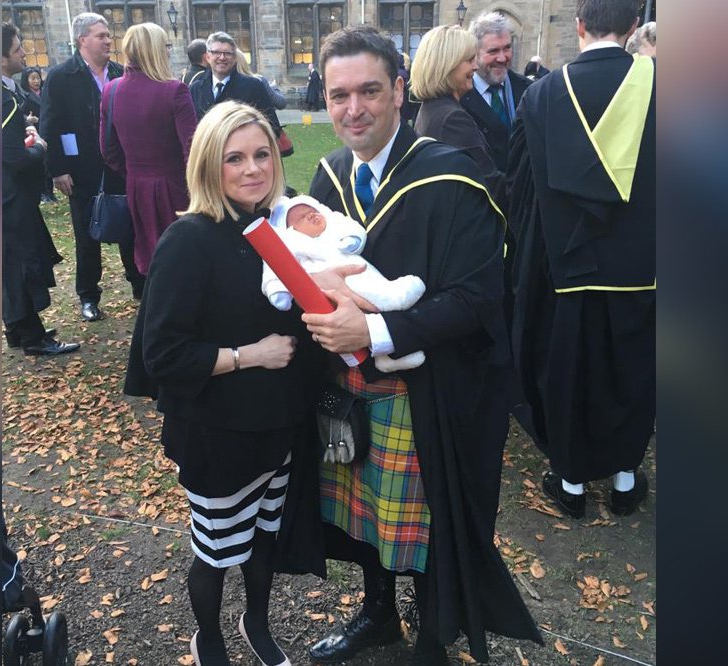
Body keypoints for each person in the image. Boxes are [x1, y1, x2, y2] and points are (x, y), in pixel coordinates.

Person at [300, 25, 541, 666]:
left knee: (431, 518)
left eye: (370, 91)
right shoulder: (325, 182)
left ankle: (436, 630)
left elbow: (478, 299)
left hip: (435, 391)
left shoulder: (453, 179)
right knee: (362, 512)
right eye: (339, 94)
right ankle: (378, 612)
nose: (354, 110)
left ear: (400, 90)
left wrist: (376, 331)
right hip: (351, 388)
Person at [123, 101, 323, 666]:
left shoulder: (280, 228)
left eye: (262, 154)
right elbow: (161, 353)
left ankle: (255, 623)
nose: (253, 169)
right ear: (209, 165)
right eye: (235, 158)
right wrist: (247, 355)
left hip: (279, 423)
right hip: (217, 430)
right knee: (216, 550)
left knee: (263, 540)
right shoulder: (189, 240)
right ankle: (208, 637)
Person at [505, 0, 655, 520]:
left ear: (579, 26)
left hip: (564, 271)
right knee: (634, 370)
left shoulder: (541, 95)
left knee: (568, 370)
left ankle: (569, 482)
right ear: (635, 26)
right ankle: (625, 478)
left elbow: (521, 188)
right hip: (644, 271)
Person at [40, 12, 143, 319]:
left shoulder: (119, 72)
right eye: (101, 35)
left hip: (121, 167)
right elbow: (50, 124)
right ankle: (88, 295)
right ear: (82, 39)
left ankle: (138, 283)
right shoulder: (61, 76)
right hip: (81, 169)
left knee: (129, 226)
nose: (108, 40)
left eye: (109, 35)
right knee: (87, 235)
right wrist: (56, 169)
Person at [260, 196, 426, 372]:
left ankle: (384, 358)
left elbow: (349, 226)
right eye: (302, 217)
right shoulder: (291, 243)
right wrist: (278, 291)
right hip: (338, 288)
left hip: (356, 271)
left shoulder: (333, 228)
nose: (311, 216)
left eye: (313, 211)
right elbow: (274, 267)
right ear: (289, 230)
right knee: (370, 301)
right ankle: (396, 298)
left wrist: (352, 240)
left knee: (369, 309)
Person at [99, 23, 197, 297]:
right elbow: (193, 149)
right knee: (181, 250)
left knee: (149, 251)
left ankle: (158, 303)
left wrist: (133, 172)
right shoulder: (174, 90)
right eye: (165, 46)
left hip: (136, 185)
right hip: (176, 185)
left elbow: (108, 150)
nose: (168, 52)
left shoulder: (111, 91)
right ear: (156, 50)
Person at [2, 23, 79, 356]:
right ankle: (34, 337)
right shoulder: (1, 99)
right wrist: (40, 148)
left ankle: (17, 329)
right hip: (10, 198)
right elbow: (14, 158)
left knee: (6, 265)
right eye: (18, 47)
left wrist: (26, 126)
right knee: (22, 264)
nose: (23, 53)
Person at [411, 24, 502, 202]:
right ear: (448, 65)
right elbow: (488, 185)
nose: (475, 67)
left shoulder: (432, 109)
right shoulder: (452, 119)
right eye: (469, 60)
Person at [459, 12, 532, 176]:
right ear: (475, 54)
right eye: (493, 51)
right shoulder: (460, 96)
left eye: (507, 48)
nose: (502, 58)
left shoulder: (529, 91)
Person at [188, 32, 282, 137]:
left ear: (235, 58)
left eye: (227, 53)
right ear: (208, 57)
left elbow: (272, 127)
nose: (222, 57)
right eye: (216, 52)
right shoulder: (195, 89)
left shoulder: (253, 86)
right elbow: (189, 130)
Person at [19, 66, 57, 203]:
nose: (36, 81)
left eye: (37, 78)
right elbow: (20, 114)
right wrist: (28, 120)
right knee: (40, 164)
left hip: (46, 131)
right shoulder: (25, 97)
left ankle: (51, 191)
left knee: (49, 163)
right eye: (32, 78)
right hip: (34, 133)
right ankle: (44, 192)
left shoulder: (45, 92)